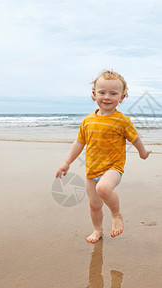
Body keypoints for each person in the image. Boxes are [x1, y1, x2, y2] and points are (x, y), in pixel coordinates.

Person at [55, 70, 151, 243]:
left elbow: (135, 139)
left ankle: (116, 215)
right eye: (102, 92)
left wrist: (142, 153)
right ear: (94, 94)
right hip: (92, 170)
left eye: (113, 93)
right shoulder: (87, 121)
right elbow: (79, 143)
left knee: (103, 188)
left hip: (113, 167)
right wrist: (66, 163)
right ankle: (98, 230)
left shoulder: (122, 121)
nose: (107, 97)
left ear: (122, 97)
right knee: (94, 205)